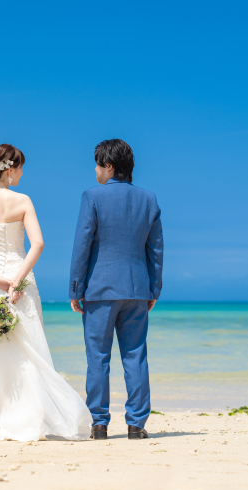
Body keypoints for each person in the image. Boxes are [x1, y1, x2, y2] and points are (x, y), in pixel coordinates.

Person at [0, 143, 92, 441]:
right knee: (28, 351)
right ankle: (27, 419)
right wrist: (16, 281)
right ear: (10, 169)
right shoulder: (22, 201)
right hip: (20, 277)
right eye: (20, 168)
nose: (21, 174)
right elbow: (38, 244)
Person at [69, 139, 163, 440]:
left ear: (108, 166)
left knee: (98, 356)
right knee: (136, 355)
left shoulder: (92, 196)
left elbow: (82, 245)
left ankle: (99, 424)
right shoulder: (149, 199)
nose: (96, 171)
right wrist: (154, 289)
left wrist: (76, 288)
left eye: (98, 165)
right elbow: (156, 250)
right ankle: (136, 424)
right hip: (137, 289)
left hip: (99, 290)